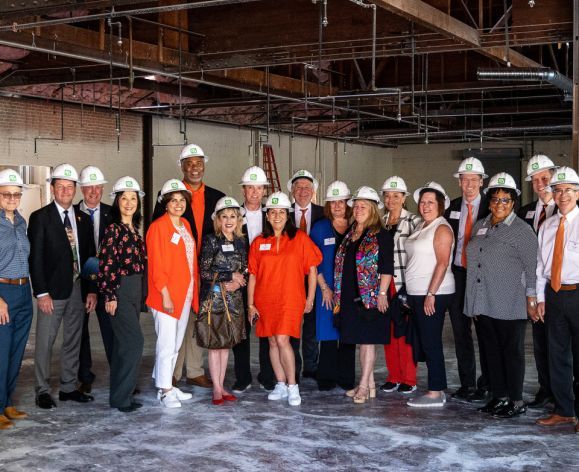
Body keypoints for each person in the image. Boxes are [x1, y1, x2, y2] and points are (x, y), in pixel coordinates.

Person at [464, 173, 538, 418]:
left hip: (511, 302)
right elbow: (474, 262)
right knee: (491, 351)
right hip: (484, 301)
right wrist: (473, 301)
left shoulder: (522, 230)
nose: (499, 204)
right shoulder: (482, 224)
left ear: (513, 202)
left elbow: (532, 267)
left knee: (511, 353)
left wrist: (531, 298)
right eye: (495, 199)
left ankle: (516, 401)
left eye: (505, 200)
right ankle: (500, 396)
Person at [152, 143, 224, 390]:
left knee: (195, 320)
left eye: (198, 162)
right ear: (181, 166)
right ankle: (171, 373)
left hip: (206, 270)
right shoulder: (169, 195)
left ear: (204, 164)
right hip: (176, 274)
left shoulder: (217, 197)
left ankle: (194, 371)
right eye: (189, 163)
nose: (194, 168)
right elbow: (158, 238)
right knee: (174, 321)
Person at [28, 164, 97, 410]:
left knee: (73, 340)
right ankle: (42, 390)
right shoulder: (40, 217)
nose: (66, 191)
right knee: (46, 342)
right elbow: (35, 258)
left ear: (75, 189)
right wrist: (41, 292)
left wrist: (91, 289)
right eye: (61, 186)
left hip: (78, 288)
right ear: (53, 188)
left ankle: (68, 387)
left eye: (70, 187)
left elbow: (90, 258)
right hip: (52, 292)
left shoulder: (83, 219)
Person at [247, 191, 322, 406]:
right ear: (267, 216)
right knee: (271, 341)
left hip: (291, 299)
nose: (277, 216)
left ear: (288, 215)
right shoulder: (259, 241)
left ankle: (292, 385)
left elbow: (313, 269)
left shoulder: (299, 238)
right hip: (265, 299)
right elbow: (253, 274)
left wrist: (309, 298)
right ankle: (280, 384)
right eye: (273, 212)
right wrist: (251, 304)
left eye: (281, 212)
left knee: (283, 340)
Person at [333, 186, 394, 404]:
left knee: (368, 342)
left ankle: (363, 386)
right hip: (350, 296)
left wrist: (383, 293)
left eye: (363, 206)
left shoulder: (381, 235)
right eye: (356, 206)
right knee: (361, 341)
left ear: (373, 209)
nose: (358, 209)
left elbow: (387, 267)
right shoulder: (352, 232)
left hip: (370, 296)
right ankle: (369, 385)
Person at [535, 167, 579, 432]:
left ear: (578, 193)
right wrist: (540, 298)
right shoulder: (548, 225)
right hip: (553, 294)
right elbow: (542, 265)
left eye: (568, 191)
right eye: (558, 190)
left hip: (578, 292)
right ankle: (564, 411)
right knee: (557, 355)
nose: (562, 196)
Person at [98, 177, 146, 413]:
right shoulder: (113, 230)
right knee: (134, 343)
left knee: (122, 345)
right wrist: (110, 295)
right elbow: (106, 264)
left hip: (135, 289)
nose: (129, 203)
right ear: (117, 202)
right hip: (120, 289)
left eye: (133, 199)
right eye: (124, 198)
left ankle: (121, 395)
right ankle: (121, 397)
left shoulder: (134, 230)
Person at [147, 179, 196, 408]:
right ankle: (165, 391)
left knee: (175, 344)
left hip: (184, 293)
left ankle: (166, 384)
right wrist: (165, 293)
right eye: (173, 200)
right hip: (166, 295)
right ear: (165, 203)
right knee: (166, 344)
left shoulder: (185, 225)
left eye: (182, 200)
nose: (178, 204)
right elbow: (157, 264)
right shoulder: (158, 227)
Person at [444, 157, 490, 402]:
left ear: (481, 182)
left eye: (473, 180)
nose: (469, 185)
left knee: (485, 331)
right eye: (465, 180)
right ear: (459, 183)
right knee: (461, 332)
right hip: (459, 274)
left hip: (483, 276)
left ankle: (488, 383)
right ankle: (468, 384)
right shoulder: (451, 207)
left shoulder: (491, 208)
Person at [405, 182, 455, 408]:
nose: (425, 206)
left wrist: (431, 293)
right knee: (424, 341)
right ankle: (434, 388)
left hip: (434, 292)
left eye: (430, 202)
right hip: (417, 293)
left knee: (431, 341)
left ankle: (436, 392)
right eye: (422, 202)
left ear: (440, 205)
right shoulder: (421, 226)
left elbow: (443, 263)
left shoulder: (441, 228)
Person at [517, 154, 558, 409]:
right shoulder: (526, 211)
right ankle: (546, 389)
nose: (540, 184)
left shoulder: (568, 209)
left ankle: (565, 393)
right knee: (541, 342)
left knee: (561, 344)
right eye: (535, 180)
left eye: (544, 178)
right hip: (536, 284)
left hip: (561, 286)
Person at [199, 196, 248, 405]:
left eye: (233, 216)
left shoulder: (240, 241)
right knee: (215, 346)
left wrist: (239, 282)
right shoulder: (211, 241)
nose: (229, 220)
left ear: (238, 220)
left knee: (226, 344)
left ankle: (221, 383)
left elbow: (245, 268)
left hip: (234, 299)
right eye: (224, 216)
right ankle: (217, 389)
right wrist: (229, 277)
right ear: (217, 220)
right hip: (215, 299)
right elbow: (204, 272)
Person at [232, 166, 275, 393]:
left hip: (266, 282)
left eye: (259, 188)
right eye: (251, 188)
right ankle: (243, 377)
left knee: (266, 331)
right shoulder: (234, 216)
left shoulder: (273, 215)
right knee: (241, 332)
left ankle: (267, 376)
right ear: (244, 190)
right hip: (241, 281)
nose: (256, 192)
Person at [310, 181, 356, 391]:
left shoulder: (357, 226)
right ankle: (326, 375)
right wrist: (324, 288)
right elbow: (313, 261)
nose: (337, 206)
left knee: (348, 333)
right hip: (326, 289)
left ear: (348, 203)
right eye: (333, 202)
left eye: (341, 201)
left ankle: (346, 376)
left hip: (351, 291)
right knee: (328, 332)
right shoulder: (320, 227)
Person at [379, 176, 421, 395]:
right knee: (388, 333)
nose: (391, 199)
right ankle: (393, 375)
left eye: (396, 195)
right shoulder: (381, 222)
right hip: (385, 285)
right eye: (387, 195)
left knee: (405, 334)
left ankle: (409, 378)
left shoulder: (414, 221)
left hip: (405, 283)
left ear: (404, 198)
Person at [75, 165, 113, 395]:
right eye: (89, 187)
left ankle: (120, 374)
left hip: (107, 283)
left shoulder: (111, 213)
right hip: (80, 283)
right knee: (80, 332)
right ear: (81, 188)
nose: (93, 191)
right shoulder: (73, 215)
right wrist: (90, 287)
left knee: (111, 330)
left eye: (98, 187)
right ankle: (84, 376)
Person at [0, 170, 33, 430]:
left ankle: (7, 402)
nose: (12, 198)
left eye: (16, 194)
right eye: (7, 194)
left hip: (23, 291)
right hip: (3, 294)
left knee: (16, 352)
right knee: (1, 353)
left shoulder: (21, 222)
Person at [288, 169, 324, 381]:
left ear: (313, 192)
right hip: (290, 278)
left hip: (316, 277)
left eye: (307, 188)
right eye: (298, 187)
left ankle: (311, 366)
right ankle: (293, 364)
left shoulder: (324, 213)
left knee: (312, 324)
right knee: (292, 324)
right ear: (292, 191)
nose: (303, 191)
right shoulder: (282, 212)